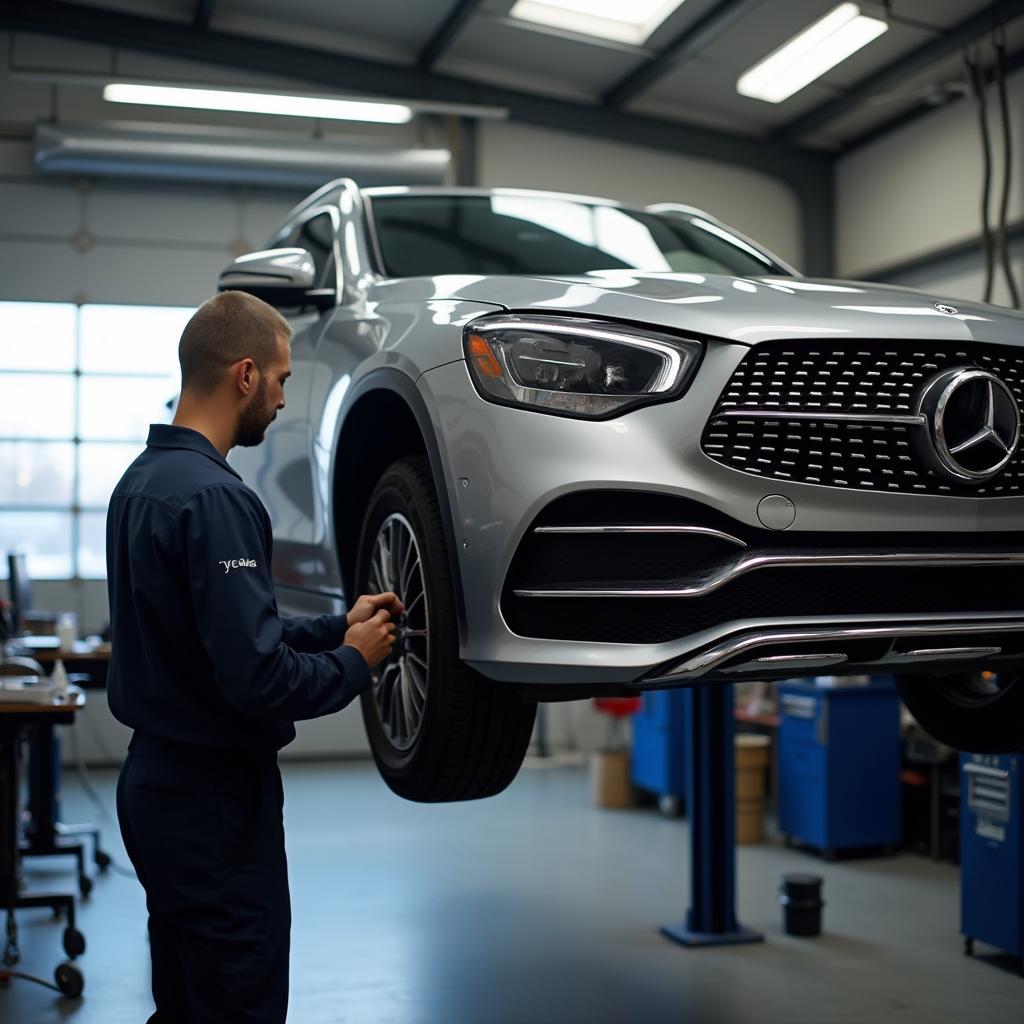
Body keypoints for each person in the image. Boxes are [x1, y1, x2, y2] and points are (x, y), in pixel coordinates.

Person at [105, 290, 402, 1023]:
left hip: (156, 788)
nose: (280, 397)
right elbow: (258, 678)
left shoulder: (139, 485)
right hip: (214, 805)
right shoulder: (216, 500)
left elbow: (224, 637)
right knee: (239, 1003)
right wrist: (356, 665)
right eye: (280, 378)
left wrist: (338, 629)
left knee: (182, 1001)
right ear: (244, 375)